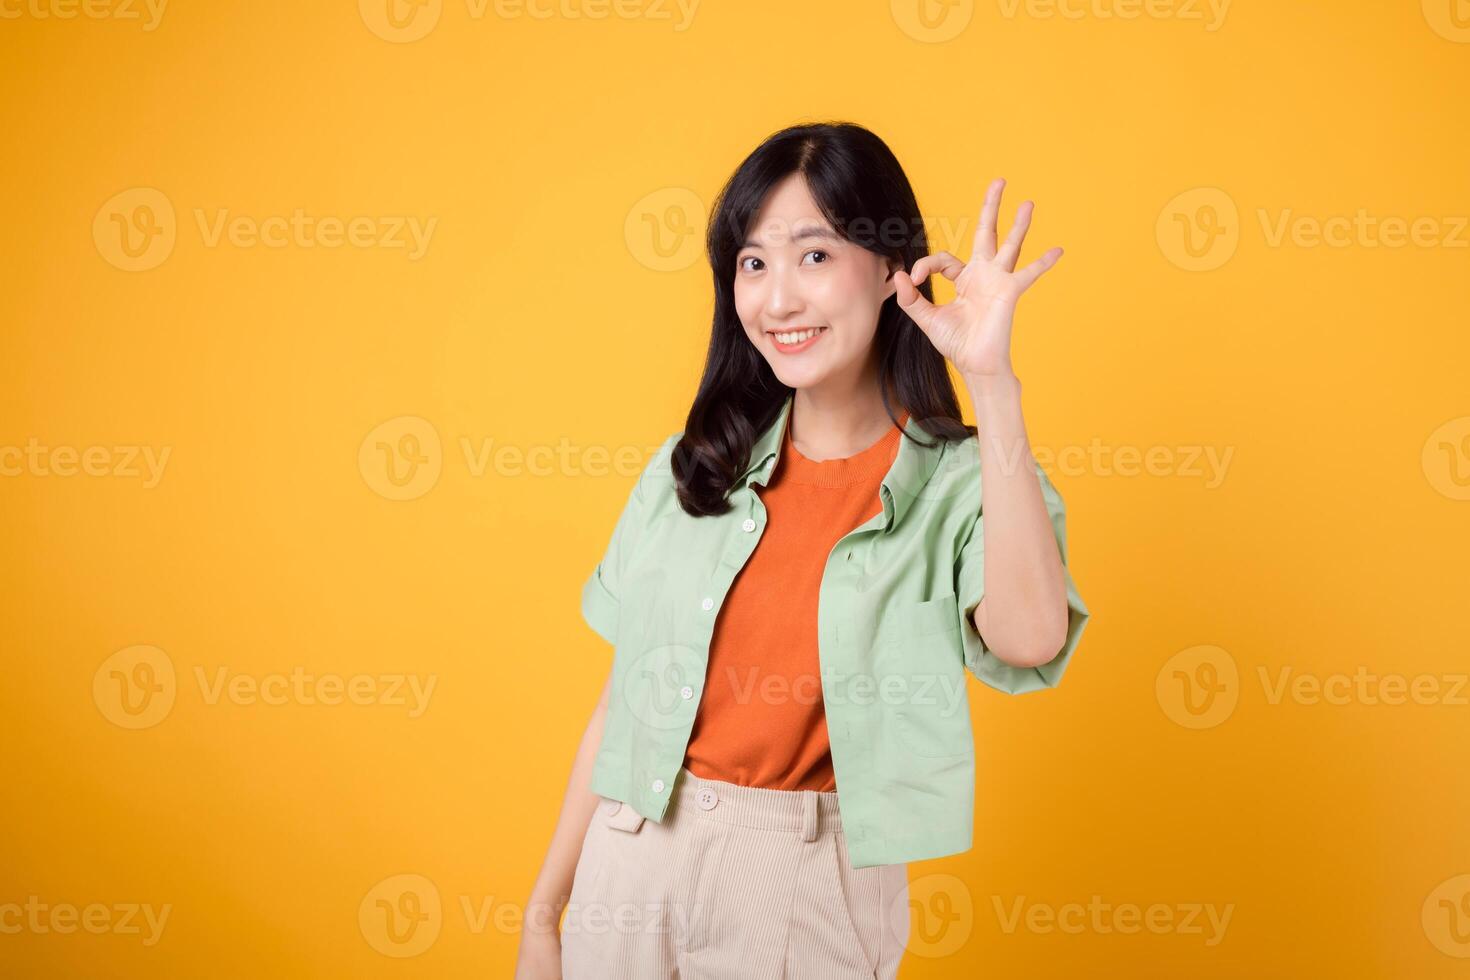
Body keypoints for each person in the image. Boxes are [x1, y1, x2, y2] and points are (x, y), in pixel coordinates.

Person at [515, 121, 1090, 979]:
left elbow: (1031, 638)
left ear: (892, 269)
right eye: (753, 262)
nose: (778, 299)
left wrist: (992, 384)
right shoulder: (693, 469)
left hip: (800, 878)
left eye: (814, 256)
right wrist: (544, 914)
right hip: (628, 854)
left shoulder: (965, 484)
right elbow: (619, 704)